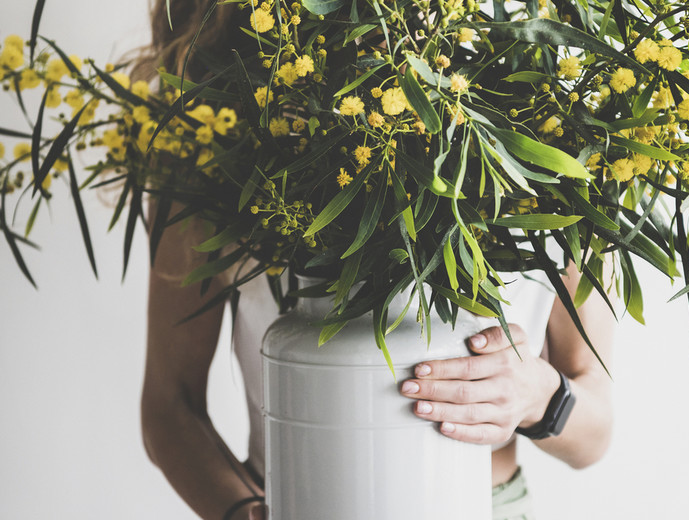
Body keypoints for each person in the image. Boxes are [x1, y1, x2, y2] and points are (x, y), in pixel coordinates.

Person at [138, 2, 616, 519]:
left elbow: (595, 430)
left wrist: (540, 397)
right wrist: (242, 513)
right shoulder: (217, 145)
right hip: (303, 504)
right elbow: (170, 404)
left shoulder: (553, 133)